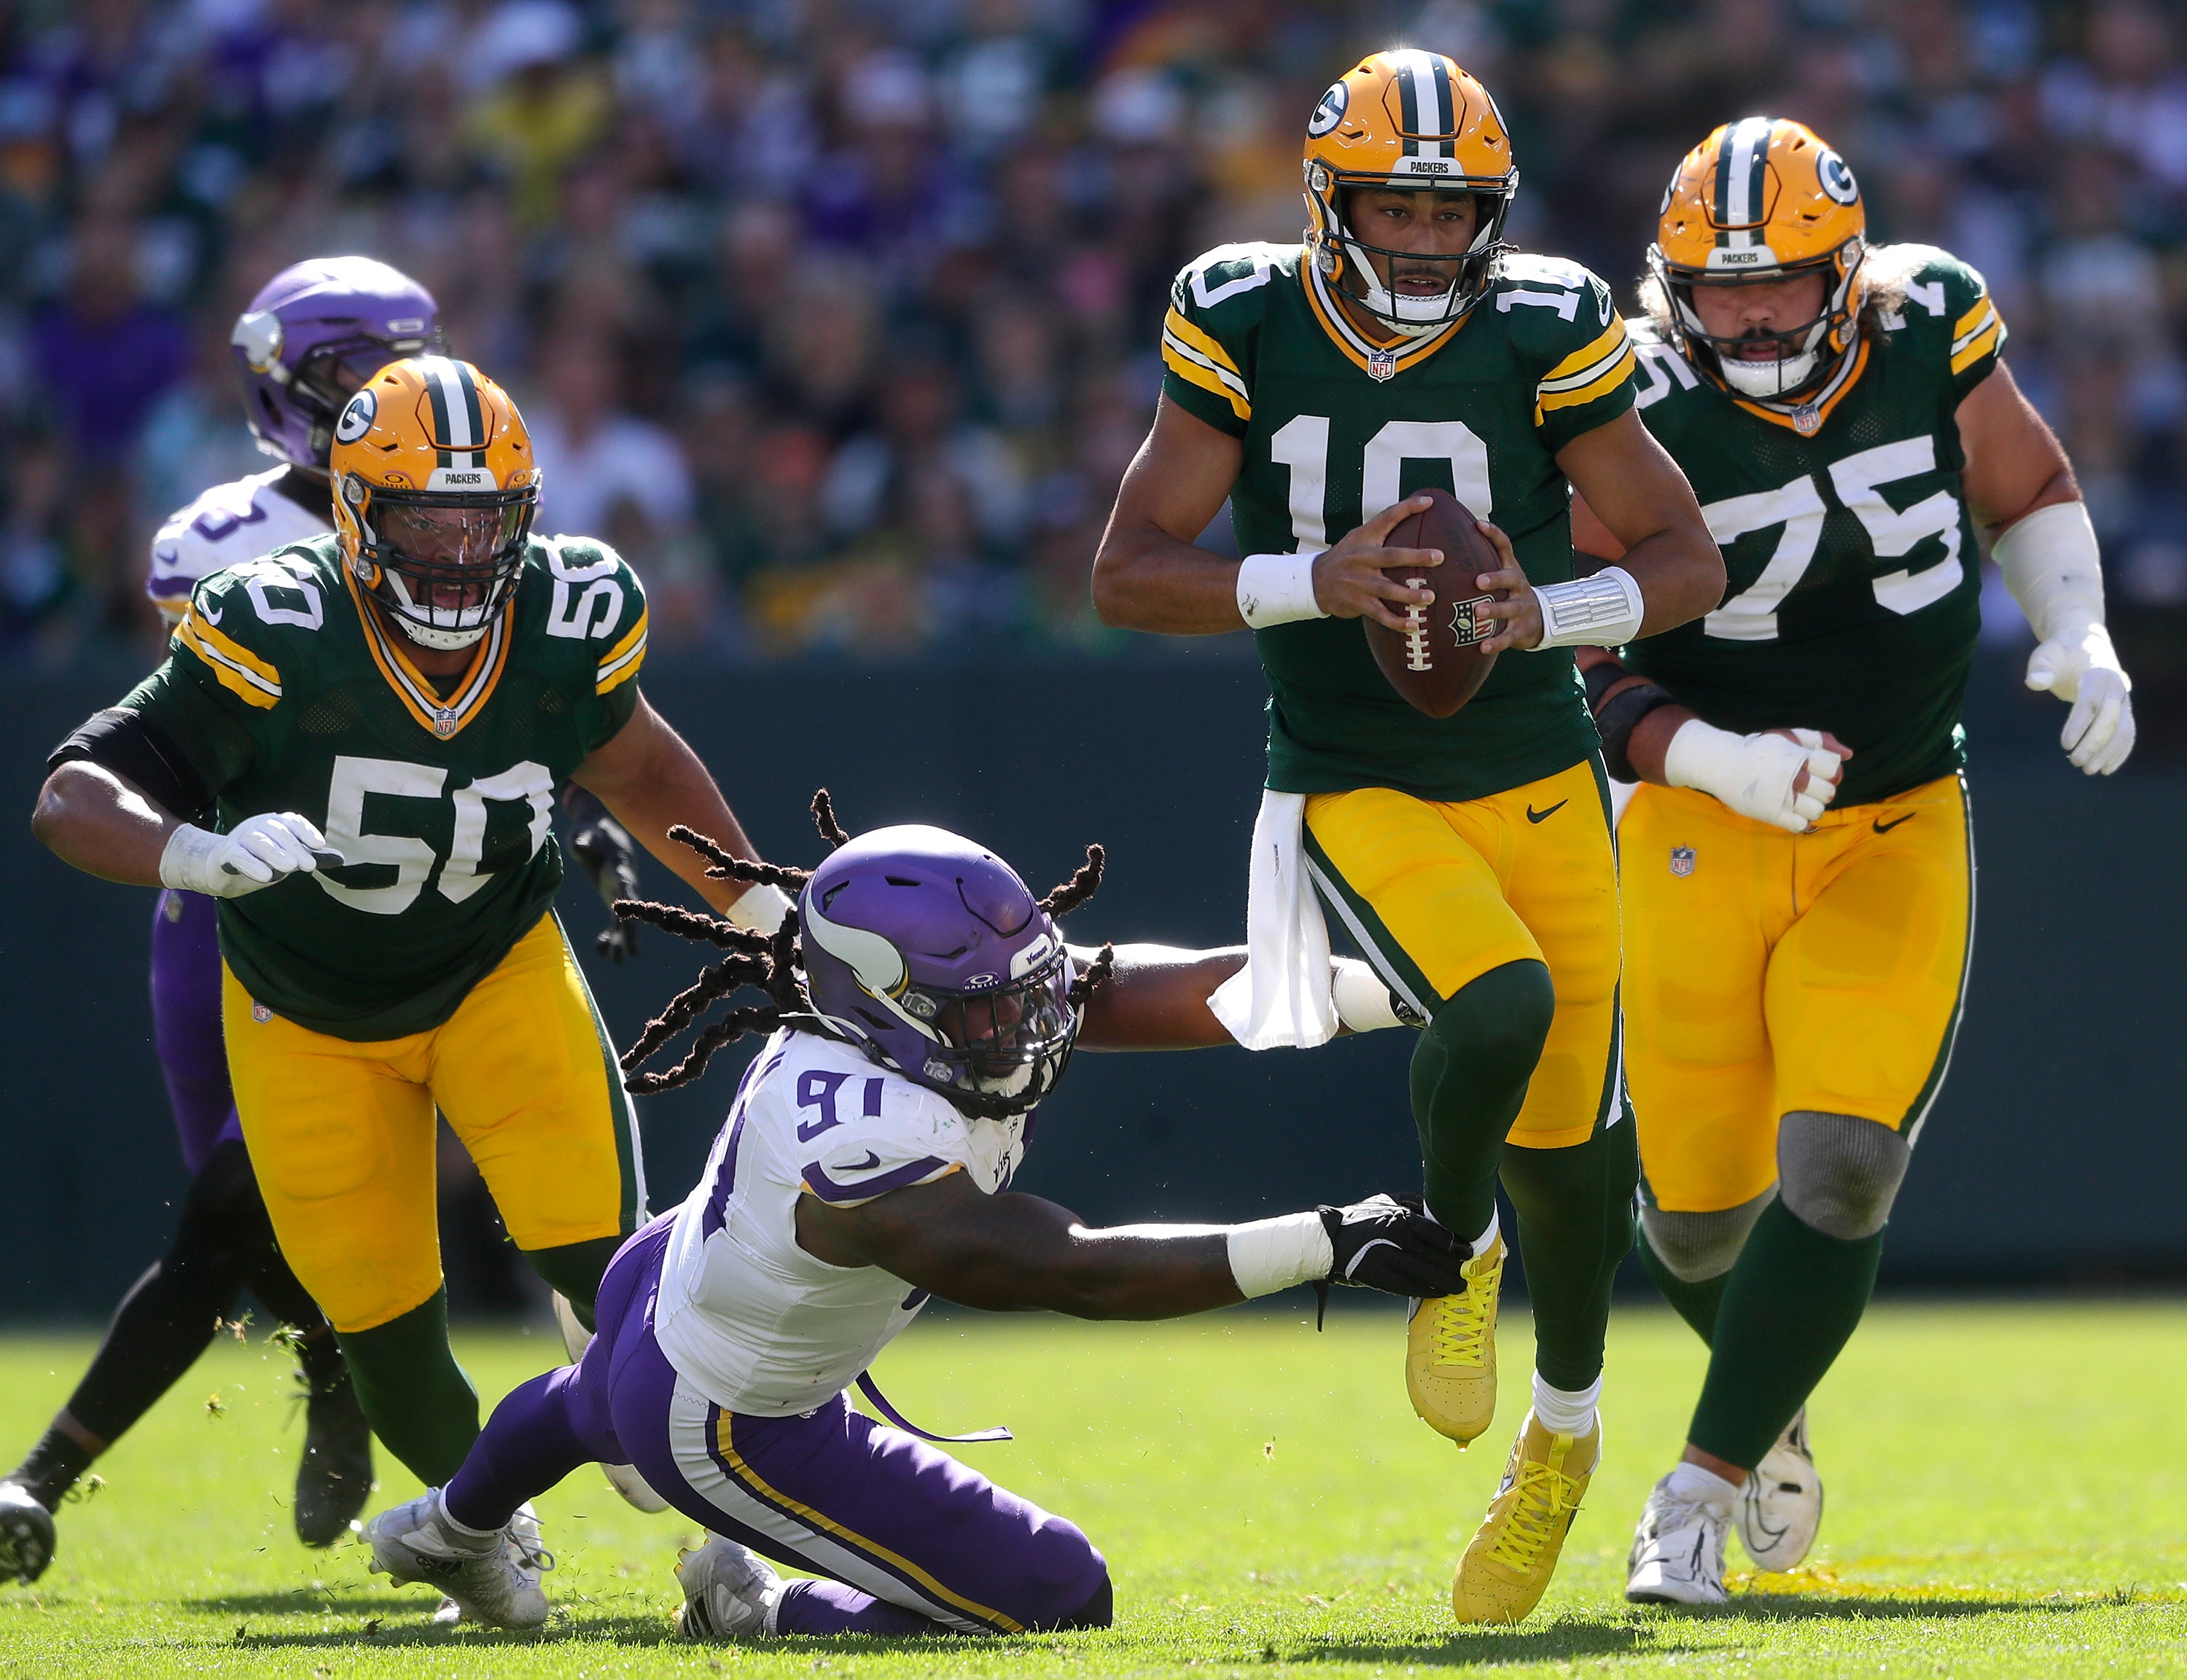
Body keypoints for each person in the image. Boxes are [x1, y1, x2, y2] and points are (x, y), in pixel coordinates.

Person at [1091, 49, 1723, 1622]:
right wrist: (1317, 579)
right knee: (1494, 1002)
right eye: (1401, 204)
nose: (1432, 239)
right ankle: (1446, 1241)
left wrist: (1547, 609)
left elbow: (1683, 556)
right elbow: (1127, 570)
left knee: (1578, 1159)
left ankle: (1564, 1438)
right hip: (1356, 775)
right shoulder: (1242, 311)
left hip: (1539, 772)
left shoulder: (1546, 323)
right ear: (1331, 199)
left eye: (1457, 211)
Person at [24, 354, 786, 1576]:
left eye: (482, 521)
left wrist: (755, 905)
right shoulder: (276, 621)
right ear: (355, 510)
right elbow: (71, 795)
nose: (456, 553)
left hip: (496, 968)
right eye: (426, 519)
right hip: (309, 1014)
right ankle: (475, 1526)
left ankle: (735, 1524)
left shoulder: (567, 610)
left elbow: (635, 765)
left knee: (618, 1270)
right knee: (386, 1340)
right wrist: (193, 851)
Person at [360, 808, 1467, 1634]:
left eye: (1028, 983)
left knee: (587, 1395)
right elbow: (1071, 1270)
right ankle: (751, 1608)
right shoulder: (866, 1135)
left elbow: (1162, 991)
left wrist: (1399, 988)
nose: (1034, 1018)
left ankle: (453, 1524)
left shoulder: (928, 1017)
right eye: (994, 1005)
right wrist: (1324, 1241)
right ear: (887, 1004)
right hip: (741, 1414)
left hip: (671, 1279)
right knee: (1061, 1591)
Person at [1574, 118, 2136, 1606]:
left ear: (1849, 266)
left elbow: (2023, 487)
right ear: (1673, 284)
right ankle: (1769, 1414)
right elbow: (1585, 647)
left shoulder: (1930, 314)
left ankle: (1691, 1496)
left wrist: (2076, 626)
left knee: (1843, 1164)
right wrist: (1716, 758)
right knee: (1692, 1221)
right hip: (1699, 823)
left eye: (1785, 283)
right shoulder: (1625, 392)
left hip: (1892, 813)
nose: (1754, 315)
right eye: (1722, 287)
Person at [0, 258, 440, 1584]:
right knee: (256, 1228)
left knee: (230, 1211)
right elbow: (197, 744)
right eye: (351, 371)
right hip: (219, 915)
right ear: (286, 385)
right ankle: (334, 1372)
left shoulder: (469, 517)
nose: (378, 396)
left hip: (378, 923)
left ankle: (38, 1482)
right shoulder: (215, 541)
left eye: (395, 368)